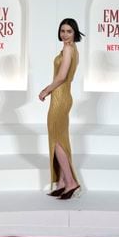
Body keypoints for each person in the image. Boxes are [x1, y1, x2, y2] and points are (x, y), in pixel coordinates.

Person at [39, 18, 83, 199]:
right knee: (60, 139)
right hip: (64, 97)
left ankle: (71, 182)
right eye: (63, 30)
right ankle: (64, 182)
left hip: (59, 97)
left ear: (75, 33)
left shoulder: (68, 49)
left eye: (69, 31)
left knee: (56, 141)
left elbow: (62, 76)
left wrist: (45, 90)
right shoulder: (73, 50)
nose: (65, 34)